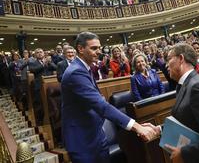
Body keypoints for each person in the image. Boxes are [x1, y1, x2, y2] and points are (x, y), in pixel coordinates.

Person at [61, 32, 156, 163]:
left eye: (99, 48)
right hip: (82, 139)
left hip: (96, 134)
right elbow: (101, 105)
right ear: (80, 49)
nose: (98, 51)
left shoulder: (85, 68)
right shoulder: (75, 72)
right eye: (93, 48)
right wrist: (137, 127)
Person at [145, 43, 199, 163]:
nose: (166, 64)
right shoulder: (184, 84)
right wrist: (159, 130)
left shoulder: (198, 86)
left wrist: (184, 153)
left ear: (181, 59)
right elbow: (187, 120)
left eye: (169, 59)